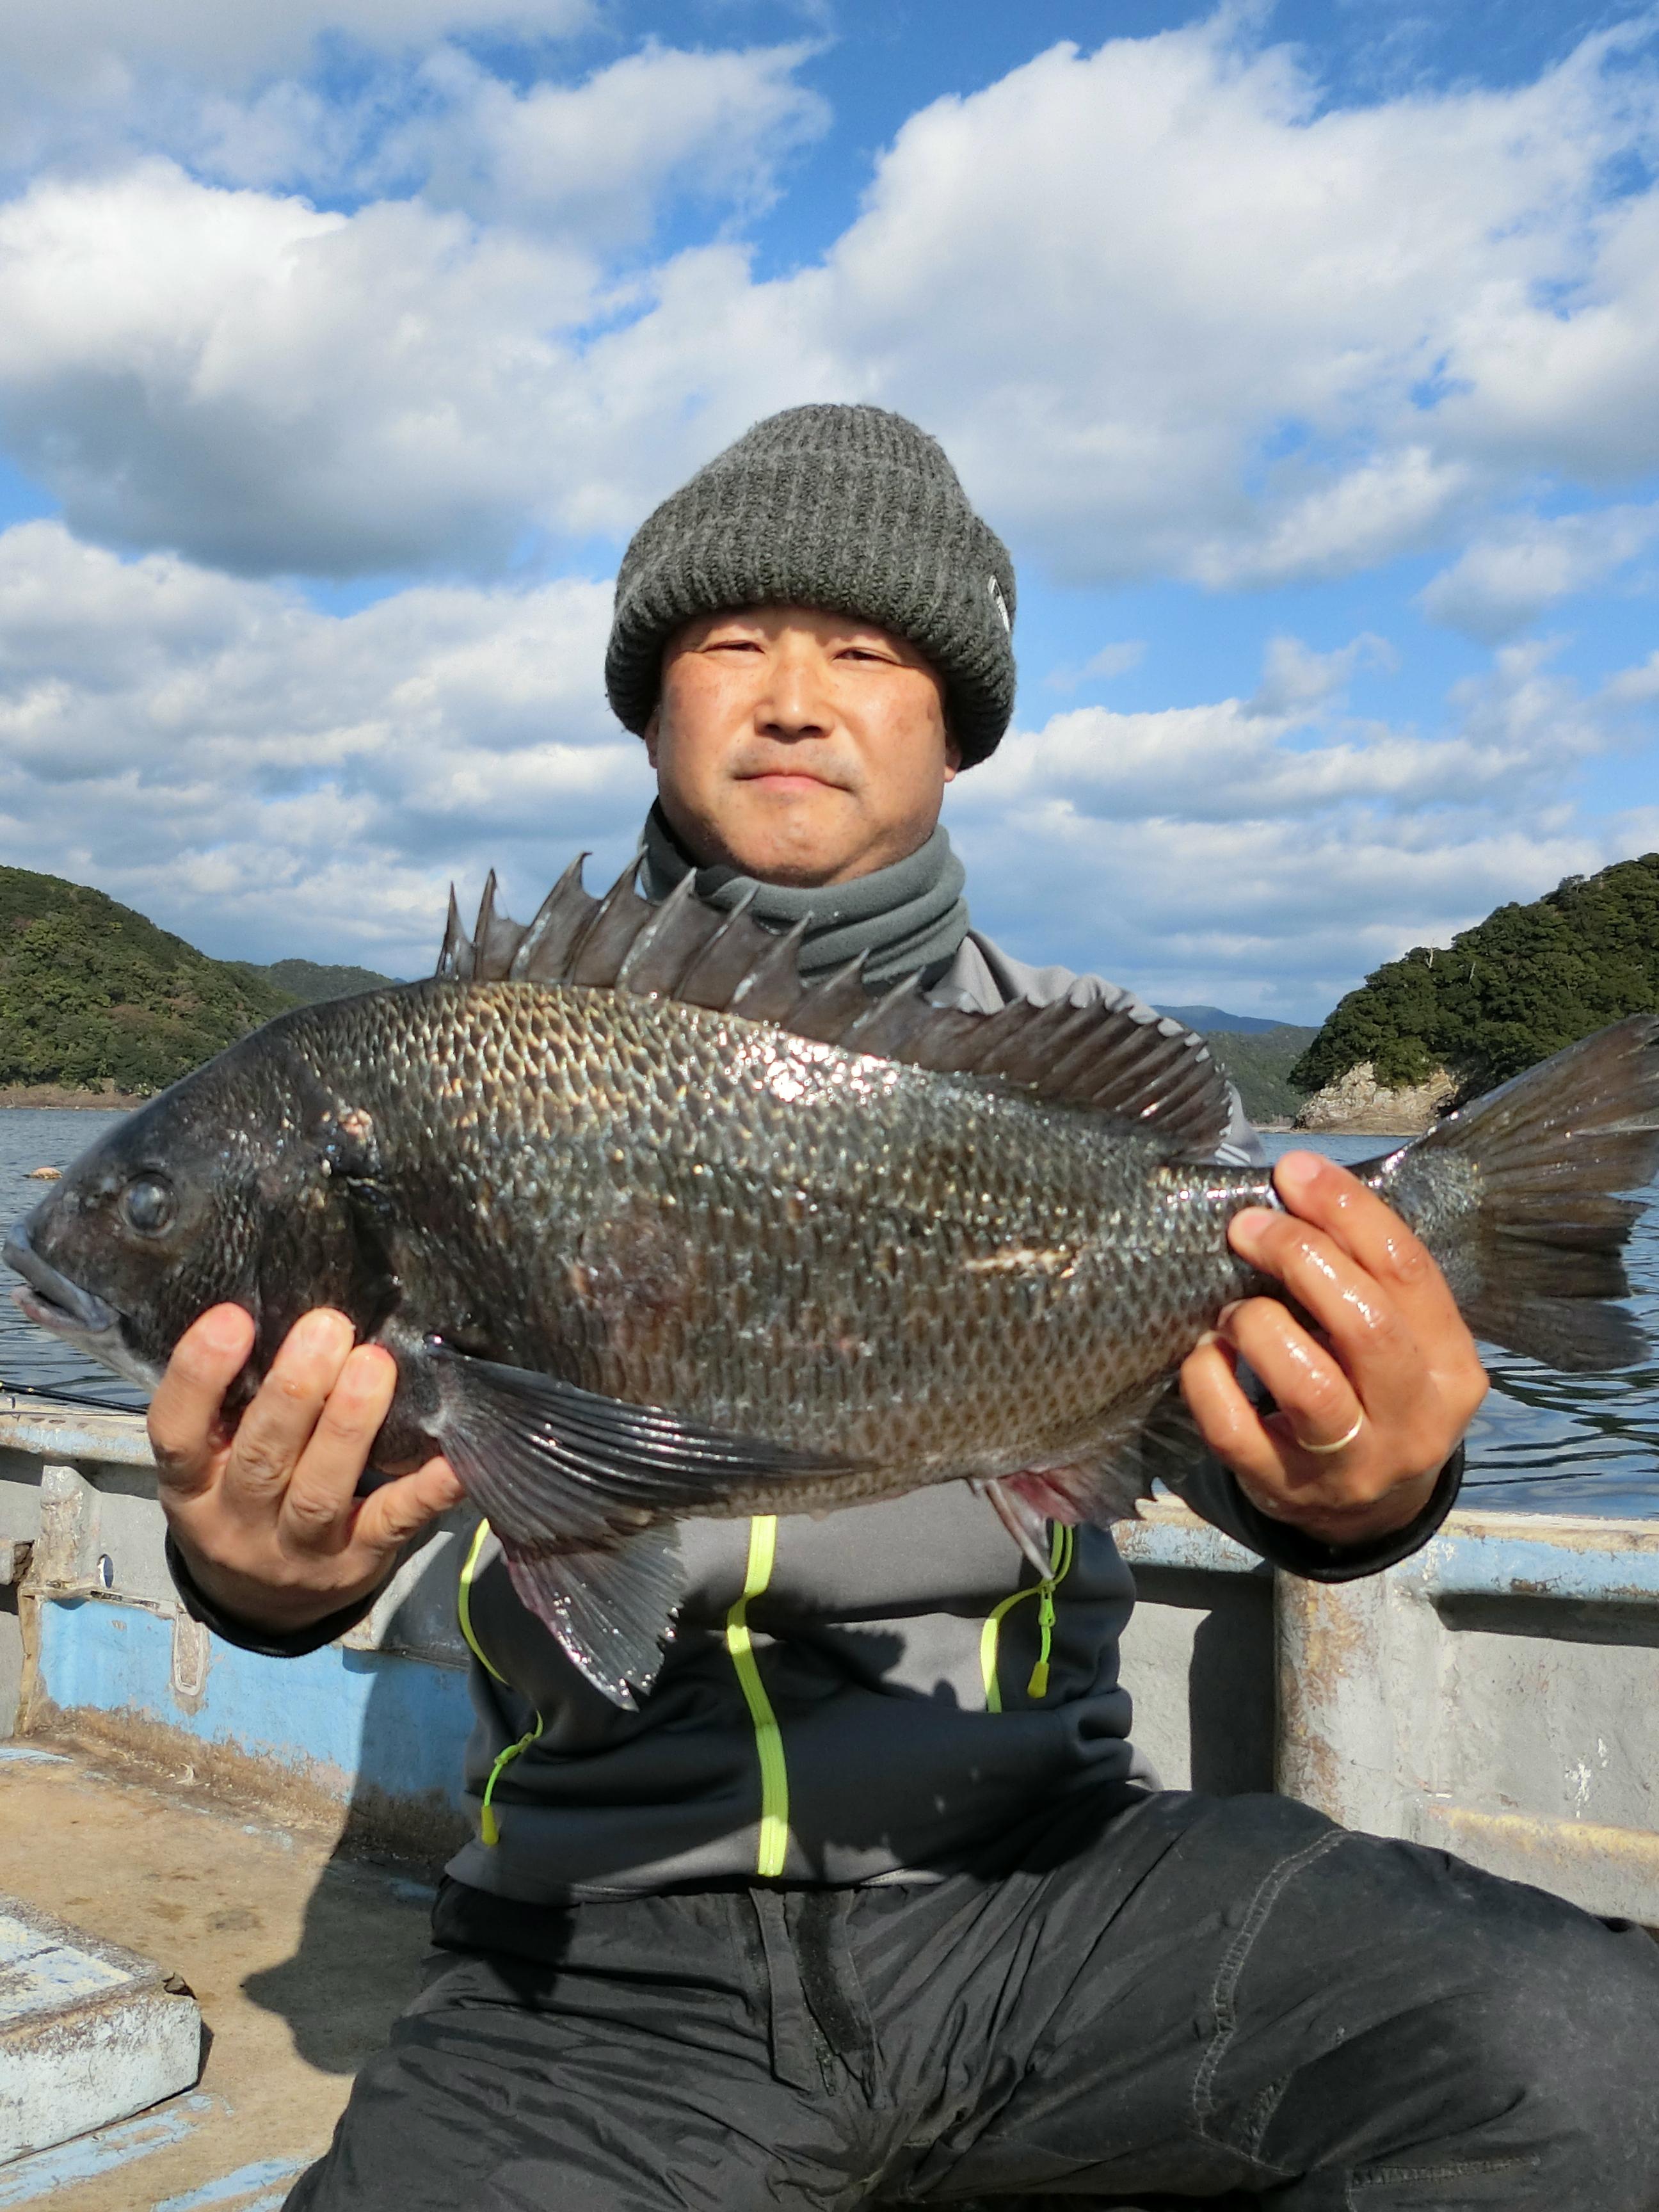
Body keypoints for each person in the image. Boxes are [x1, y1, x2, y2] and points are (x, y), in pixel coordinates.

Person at [154, 406, 1659, 2210]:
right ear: (649, 705)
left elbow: (1265, 1451)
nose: (796, 697)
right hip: (601, 1976)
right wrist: (249, 1581)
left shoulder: (1080, 1067)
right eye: (731, 644)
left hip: (1053, 1896)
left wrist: (1374, 1487)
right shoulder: (469, 1073)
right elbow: (312, 1529)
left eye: (868, 652)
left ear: (960, 728)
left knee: (1588, 2051)